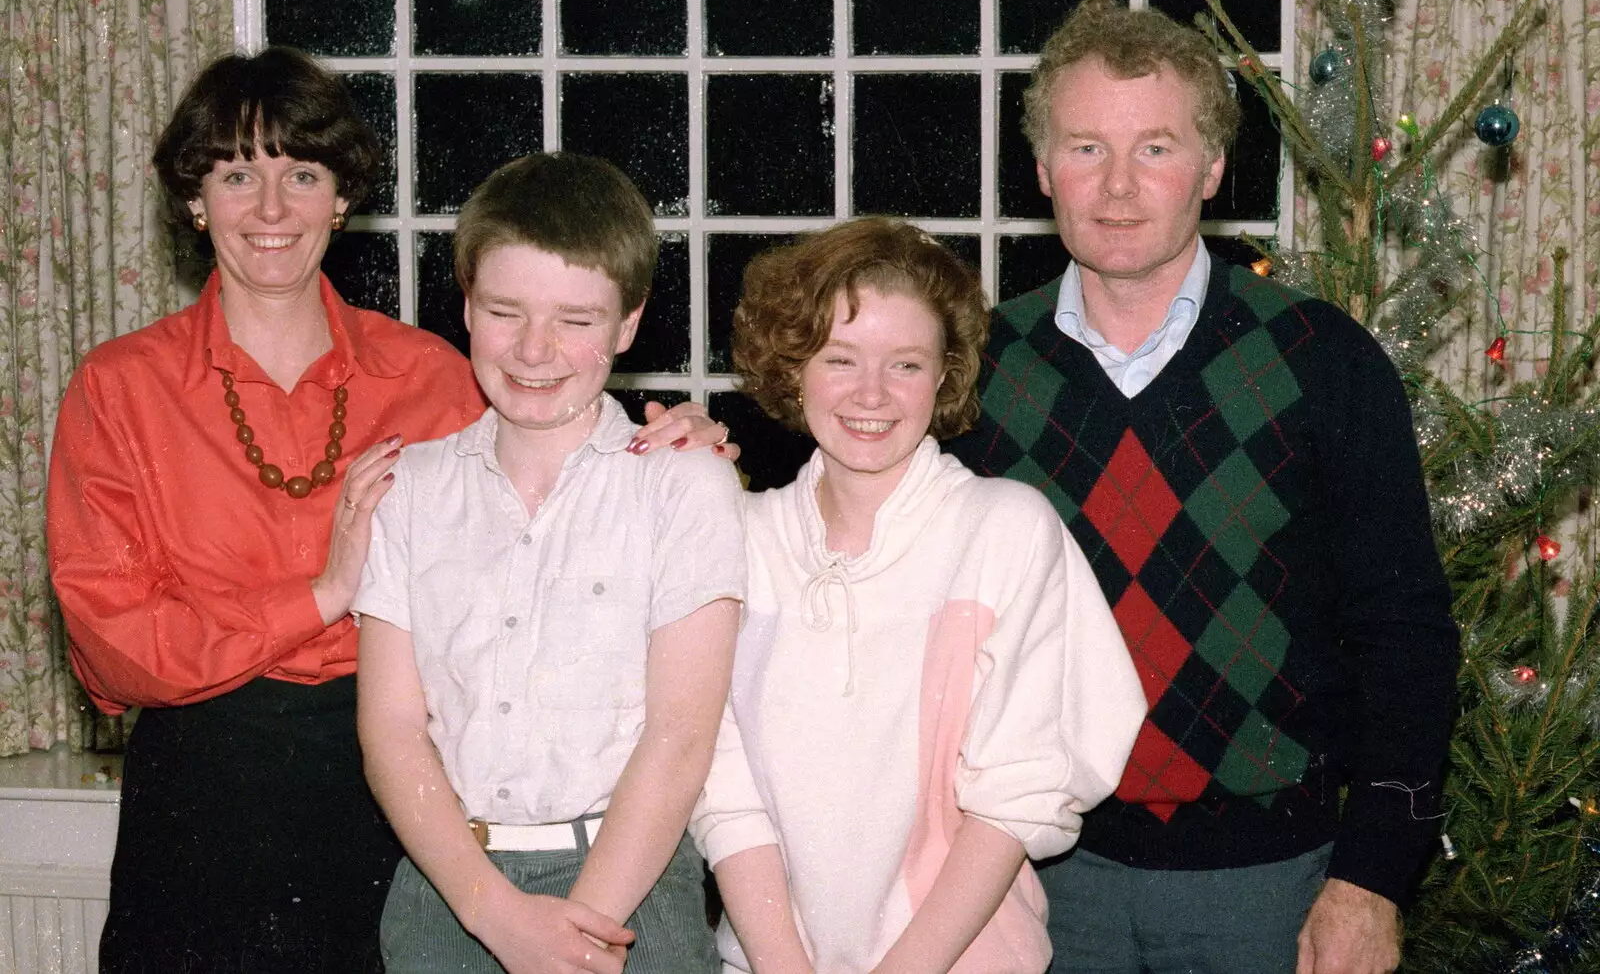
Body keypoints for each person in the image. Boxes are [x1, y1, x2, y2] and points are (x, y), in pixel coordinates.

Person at [42, 47, 725, 973]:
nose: (273, 209)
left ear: (342, 197)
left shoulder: (432, 375)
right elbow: (113, 647)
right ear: (196, 201)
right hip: (208, 795)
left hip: (401, 802)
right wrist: (321, 595)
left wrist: (684, 438)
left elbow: (562, 476)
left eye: (303, 174)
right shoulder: (119, 387)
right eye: (238, 174)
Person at [944, 0, 1459, 974]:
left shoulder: (1323, 361)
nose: (1120, 187)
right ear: (1044, 167)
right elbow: (852, 548)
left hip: (1270, 881)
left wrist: (1375, 877)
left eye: (1157, 148)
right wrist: (697, 449)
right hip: (1027, 876)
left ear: (1213, 168)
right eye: (1087, 147)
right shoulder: (972, 365)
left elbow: (1406, 632)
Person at [691, 218, 1145, 974]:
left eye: (905, 363)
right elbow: (723, 792)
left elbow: (1016, 796)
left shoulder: (1003, 530)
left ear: (943, 376)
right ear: (792, 365)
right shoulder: (740, 540)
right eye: (840, 358)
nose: (871, 393)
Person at [354, 151, 745, 974]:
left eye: (576, 319)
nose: (536, 349)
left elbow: (679, 736)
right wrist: (491, 912)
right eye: (506, 311)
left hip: (631, 891)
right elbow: (391, 729)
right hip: (449, 890)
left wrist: (583, 933)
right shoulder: (409, 489)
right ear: (464, 304)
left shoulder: (682, 485)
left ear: (627, 325)